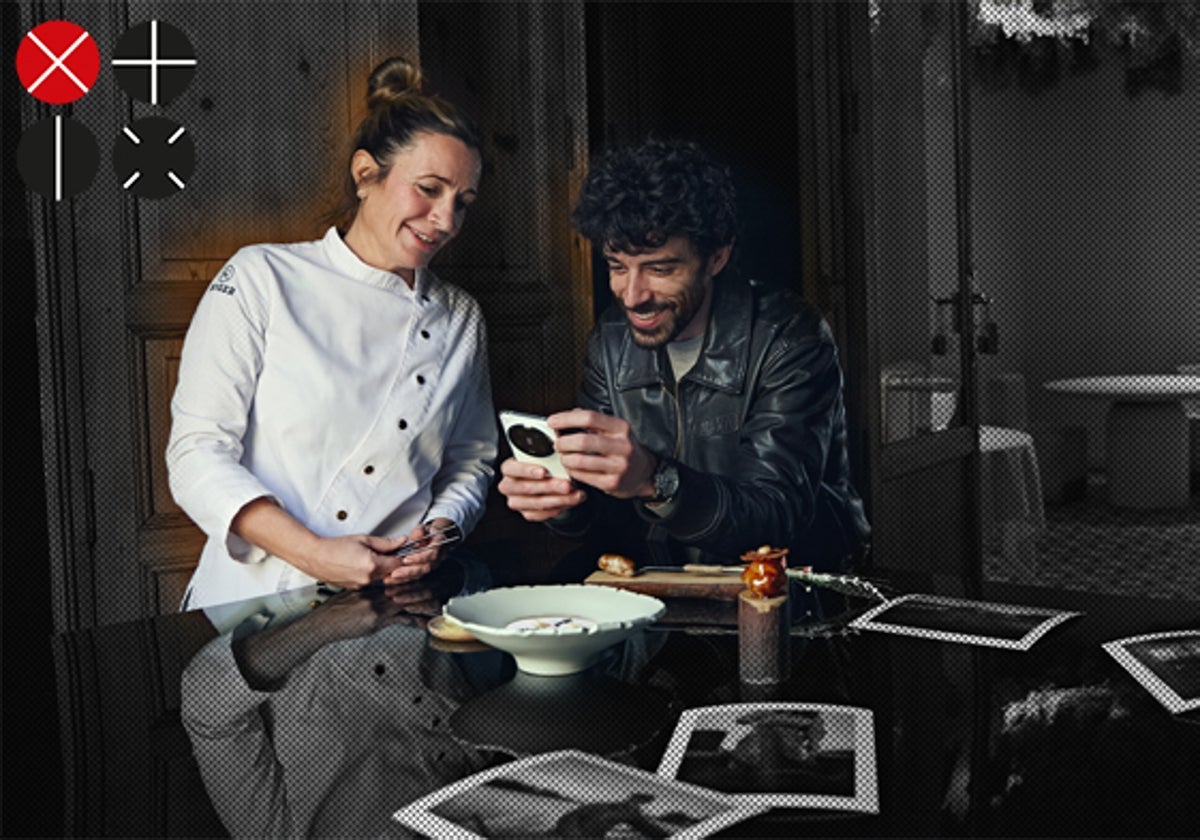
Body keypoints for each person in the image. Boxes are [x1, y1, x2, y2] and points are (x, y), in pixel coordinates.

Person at [168, 57, 496, 610]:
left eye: (461, 204)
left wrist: (441, 527)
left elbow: (472, 460)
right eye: (429, 189)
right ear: (366, 174)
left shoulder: (461, 317)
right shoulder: (259, 279)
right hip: (253, 606)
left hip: (395, 610)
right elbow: (197, 454)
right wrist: (314, 553)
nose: (445, 221)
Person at [498, 138, 869, 577]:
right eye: (617, 266)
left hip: (781, 596)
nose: (633, 296)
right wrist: (562, 501)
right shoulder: (610, 342)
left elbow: (776, 515)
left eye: (659, 269)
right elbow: (603, 513)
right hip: (655, 591)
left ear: (716, 257)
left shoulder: (788, 337)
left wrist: (655, 480)